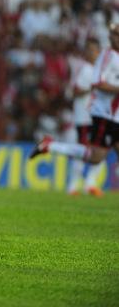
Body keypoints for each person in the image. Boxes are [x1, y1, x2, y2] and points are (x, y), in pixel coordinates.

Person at [30, 23, 119, 196]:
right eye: (115, 34)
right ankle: (51, 146)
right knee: (95, 157)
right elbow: (97, 83)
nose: (116, 37)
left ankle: (88, 184)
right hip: (104, 113)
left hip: (115, 115)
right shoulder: (107, 56)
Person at [65, 38, 105, 196]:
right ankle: (74, 185)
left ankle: (90, 183)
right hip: (84, 117)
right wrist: (92, 88)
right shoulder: (85, 69)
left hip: (98, 116)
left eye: (94, 50)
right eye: (89, 50)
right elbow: (74, 91)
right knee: (83, 150)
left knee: (100, 150)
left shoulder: (100, 70)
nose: (92, 53)